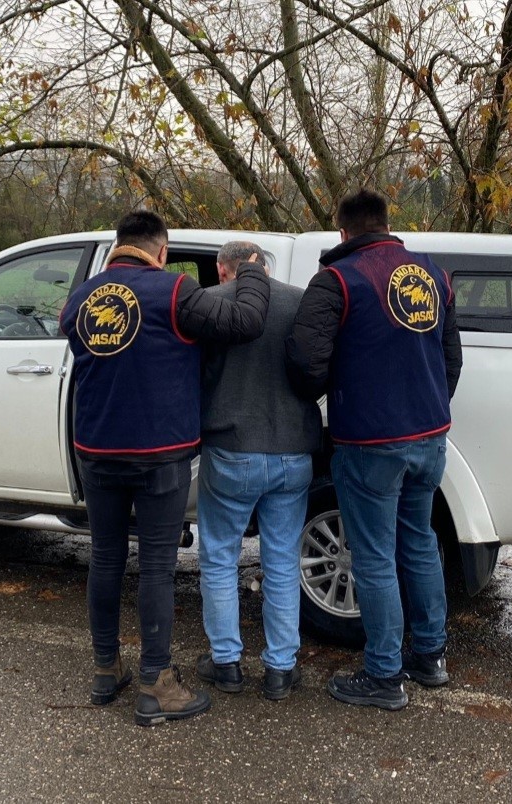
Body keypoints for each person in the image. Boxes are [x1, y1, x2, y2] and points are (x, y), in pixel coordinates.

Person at [59, 211, 270, 726]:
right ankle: (156, 682)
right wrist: (254, 274)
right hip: (160, 455)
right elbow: (245, 323)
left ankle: (106, 671)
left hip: (97, 451)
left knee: (106, 558)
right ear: (161, 249)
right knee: (155, 565)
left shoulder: (80, 300)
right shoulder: (174, 291)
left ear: (118, 245)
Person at [286, 189, 462, 710]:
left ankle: (385, 674)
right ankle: (430, 657)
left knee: (373, 556)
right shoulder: (431, 274)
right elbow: (451, 358)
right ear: (386, 225)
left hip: (369, 441)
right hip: (429, 437)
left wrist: (327, 398)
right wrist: (425, 408)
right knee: (420, 542)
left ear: (343, 232)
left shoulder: (337, 280)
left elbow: (304, 360)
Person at [194, 241, 322, 701]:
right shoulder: (299, 301)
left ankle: (226, 662)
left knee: (219, 558)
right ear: (264, 267)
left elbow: (198, 375)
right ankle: (281, 670)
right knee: (283, 562)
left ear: (222, 270)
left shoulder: (212, 302)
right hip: (293, 453)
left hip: (231, 450)